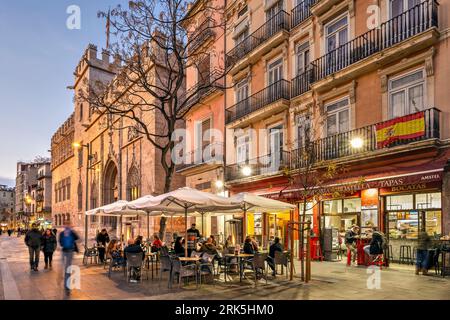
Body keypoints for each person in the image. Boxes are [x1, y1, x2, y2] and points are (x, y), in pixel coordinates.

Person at [59, 221, 80, 295]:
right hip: (65, 251)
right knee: (65, 269)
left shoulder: (71, 232)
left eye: (68, 224)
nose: (67, 226)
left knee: (67, 270)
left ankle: (67, 287)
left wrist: (72, 231)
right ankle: (65, 283)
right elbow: (60, 242)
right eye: (66, 224)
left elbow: (78, 238)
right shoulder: (62, 233)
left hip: (69, 252)